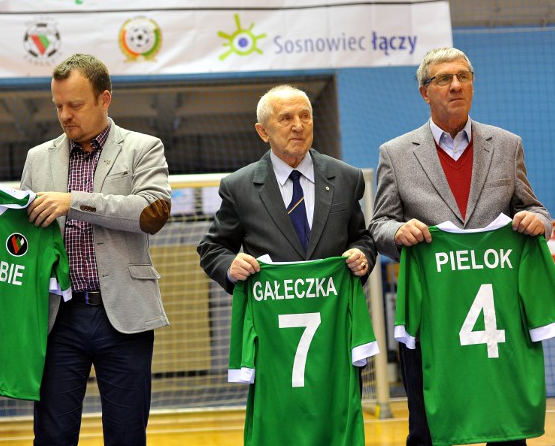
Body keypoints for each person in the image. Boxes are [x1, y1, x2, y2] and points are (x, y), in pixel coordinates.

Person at [369, 47, 551, 446]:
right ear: (424, 92)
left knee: (505, 426)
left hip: (497, 317)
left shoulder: (507, 145)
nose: (456, 86)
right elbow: (379, 225)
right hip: (431, 315)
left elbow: (533, 208)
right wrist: (398, 233)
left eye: (463, 77)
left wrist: (539, 222)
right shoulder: (395, 154)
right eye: (444, 79)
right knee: (428, 430)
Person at [22, 53, 172, 445]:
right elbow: (24, 237)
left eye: (75, 105)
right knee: (52, 436)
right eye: (58, 105)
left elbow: (152, 212)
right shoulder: (37, 159)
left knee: (126, 435)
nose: (64, 115)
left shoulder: (143, 147)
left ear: (105, 99)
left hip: (124, 313)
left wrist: (74, 202)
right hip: (57, 317)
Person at [198, 84, 375, 291]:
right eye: (286, 118)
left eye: (305, 116)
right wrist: (230, 267)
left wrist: (361, 255)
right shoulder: (238, 187)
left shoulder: (346, 178)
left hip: (335, 304)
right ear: (263, 132)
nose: (299, 126)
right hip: (272, 308)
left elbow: (361, 239)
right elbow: (212, 249)